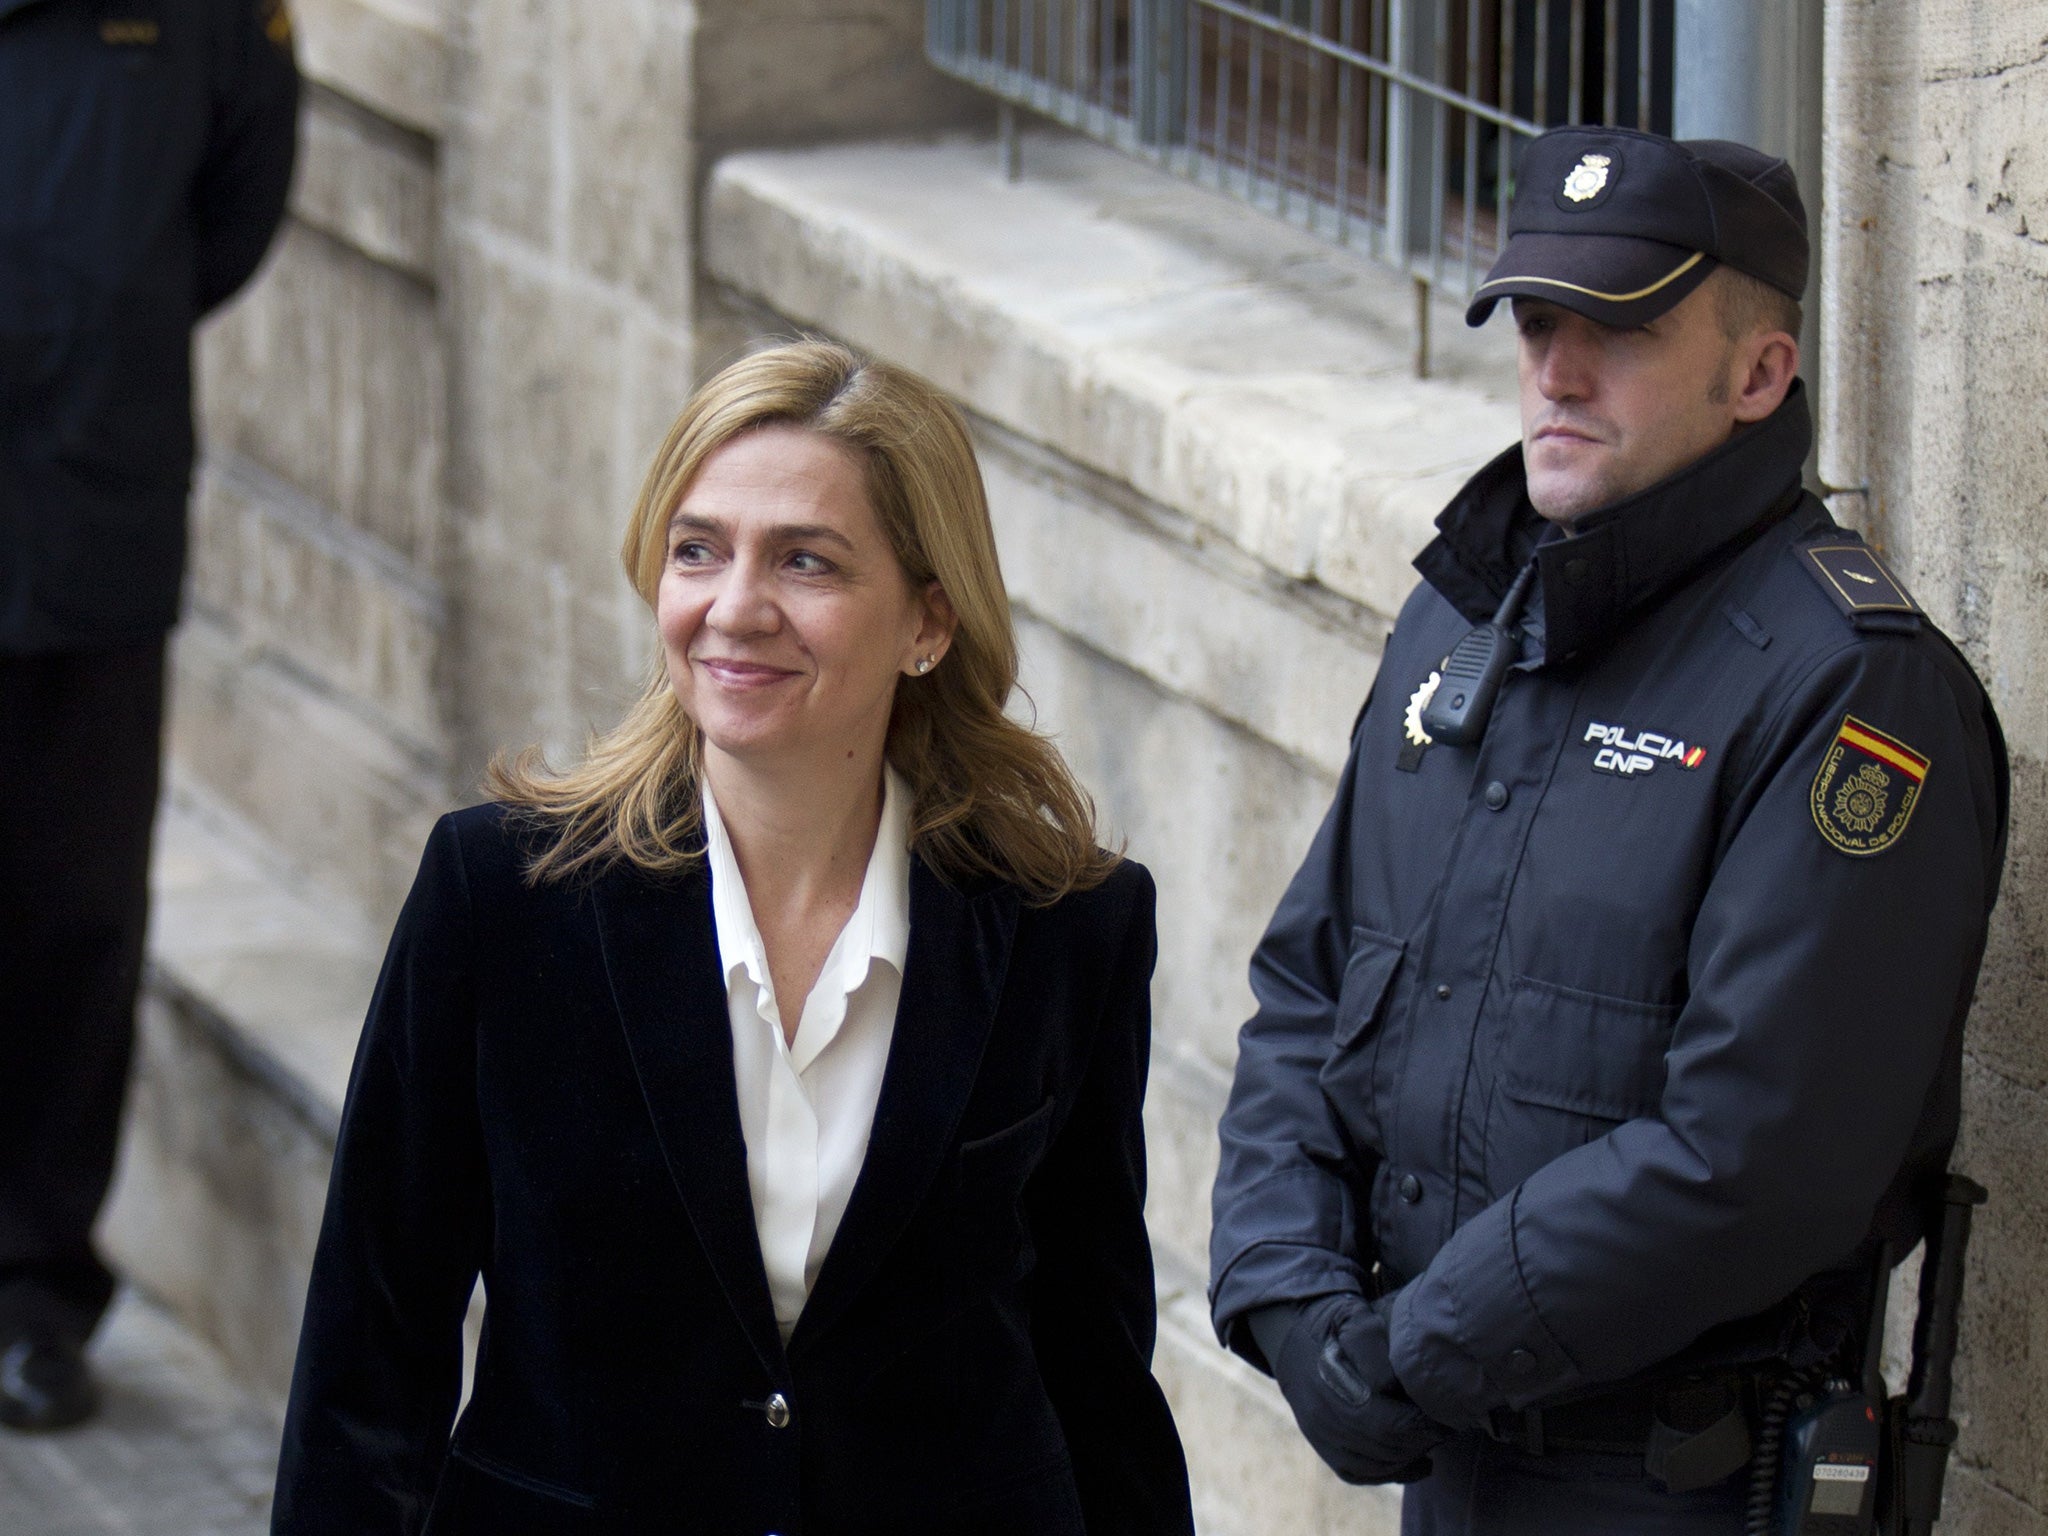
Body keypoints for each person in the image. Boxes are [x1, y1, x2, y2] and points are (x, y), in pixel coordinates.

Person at [1209, 125, 2007, 1533]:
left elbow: (1754, 1151)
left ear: (1760, 373)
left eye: (1621, 329)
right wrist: (1284, 1292)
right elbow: (1307, 989)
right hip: (1447, 1458)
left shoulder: (1851, 689)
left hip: (1678, 1483)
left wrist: (1407, 1350)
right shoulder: (1462, 617)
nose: (1556, 370)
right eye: (1536, 319)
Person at [272, 341, 1196, 1535]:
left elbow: (1093, 1361)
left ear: (928, 618)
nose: (734, 607)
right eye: (697, 550)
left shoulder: (1066, 926)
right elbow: (370, 1351)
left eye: (804, 561)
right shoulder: (502, 895)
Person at [0, 0, 298, 1430]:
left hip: (85, 527)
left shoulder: (198, 18)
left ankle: (29, 1292)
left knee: (69, 914)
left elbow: (230, 216)